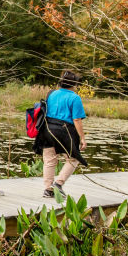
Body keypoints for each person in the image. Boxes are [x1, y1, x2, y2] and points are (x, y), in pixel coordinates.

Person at [34, 70, 87, 199]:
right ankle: (58, 184)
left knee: (49, 160)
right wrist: (82, 137)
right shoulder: (74, 97)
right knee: (73, 158)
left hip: (47, 130)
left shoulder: (51, 94)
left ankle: (48, 189)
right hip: (64, 131)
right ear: (74, 84)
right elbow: (77, 119)